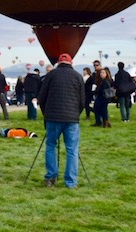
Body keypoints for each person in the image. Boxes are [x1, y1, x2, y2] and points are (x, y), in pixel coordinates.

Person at [37, 53, 85, 189]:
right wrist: (76, 114)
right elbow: (82, 101)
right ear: (71, 62)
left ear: (58, 62)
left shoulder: (51, 75)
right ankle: (71, 182)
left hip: (53, 116)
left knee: (51, 145)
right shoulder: (78, 76)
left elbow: (42, 97)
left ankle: (51, 177)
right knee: (72, 150)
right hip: (72, 119)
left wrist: (46, 114)